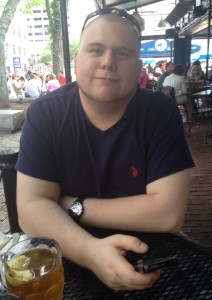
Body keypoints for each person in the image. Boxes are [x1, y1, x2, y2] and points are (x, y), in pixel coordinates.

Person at [16, 8, 194, 291]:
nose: (108, 62)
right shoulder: (45, 114)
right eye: (95, 50)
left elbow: (168, 214)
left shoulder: (159, 112)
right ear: (77, 60)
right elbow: (30, 211)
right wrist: (91, 252)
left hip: (151, 251)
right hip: (66, 250)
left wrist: (70, 204)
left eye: (123, 53)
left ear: (139, 68)